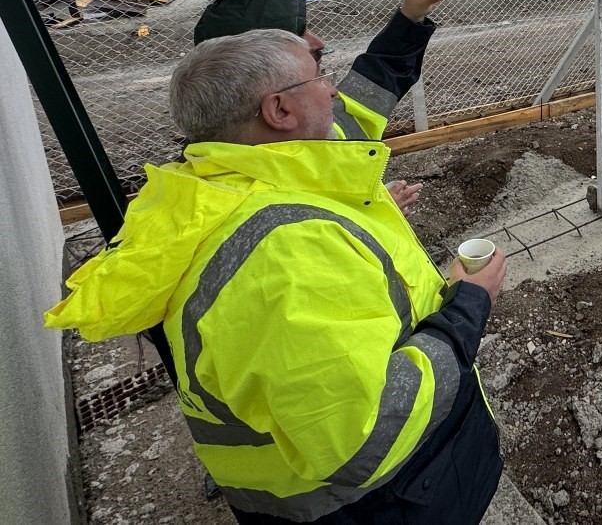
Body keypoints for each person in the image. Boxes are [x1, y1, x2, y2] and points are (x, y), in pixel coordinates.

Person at [47, 28, 505, 523]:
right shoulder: (286, 254)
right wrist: (469, 303)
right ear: (279, 111)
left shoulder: (217, 193)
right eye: (319, 77)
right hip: (382, 503)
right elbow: (363, 437)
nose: (333, 90)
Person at [192, 0, 451, 211]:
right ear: (279, 110)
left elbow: (380, 72)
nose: (318, 43)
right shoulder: (235, 210)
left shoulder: (321, 117)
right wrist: (373, 213)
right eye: (297, 38)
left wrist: (411, 15)